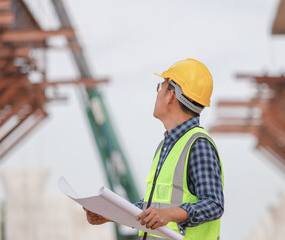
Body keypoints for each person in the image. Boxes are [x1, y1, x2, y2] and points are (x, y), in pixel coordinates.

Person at [84, 58, 224, 240]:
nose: (157, 93)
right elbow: (153, 207)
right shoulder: (167, 146)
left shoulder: (198, 145)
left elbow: (214, 204)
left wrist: (170, 214)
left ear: (171, 95)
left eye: (161, 86)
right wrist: (110, 214)